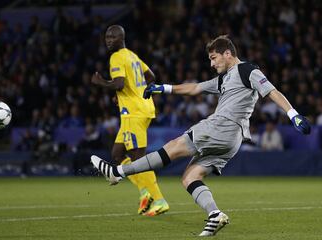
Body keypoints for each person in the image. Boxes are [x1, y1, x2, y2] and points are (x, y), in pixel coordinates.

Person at [91, 35, 311, 236]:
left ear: (228, 53)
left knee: (174, 147)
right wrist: (162, 88)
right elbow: (195, 88)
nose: (212, 63)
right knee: (189, 178)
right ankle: (215, 214)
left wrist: (294, 115)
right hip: (232, 141)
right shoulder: (224, 79)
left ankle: (118, 172)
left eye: (214, 58)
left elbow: (272, 91)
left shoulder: (247, 70)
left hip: (221, 127)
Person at [91, 25, 169, 216]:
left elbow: (118, 83)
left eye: (112, 36)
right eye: (107, 36)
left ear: (121, 38)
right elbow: (151, 76)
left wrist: (100, 82)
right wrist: (133, 92)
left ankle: (159, 200)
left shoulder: (116, 57)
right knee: (117, 154)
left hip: (134, 113)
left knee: (138, 159)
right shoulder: (132, 55)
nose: (108, 40)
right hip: (138, 110)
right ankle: (145, 192)